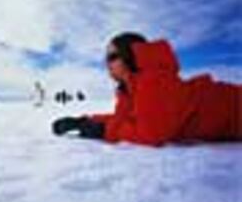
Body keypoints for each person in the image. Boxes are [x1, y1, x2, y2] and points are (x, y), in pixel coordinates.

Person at [52, 32, 242, 146]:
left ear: (130, 55)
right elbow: (125, 120)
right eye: (106, 59)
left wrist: (102, 130)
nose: (107, 64)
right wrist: (84, 120)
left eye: (112, 57)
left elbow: (151, 134)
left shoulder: (153, 78)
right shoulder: (130, 89)